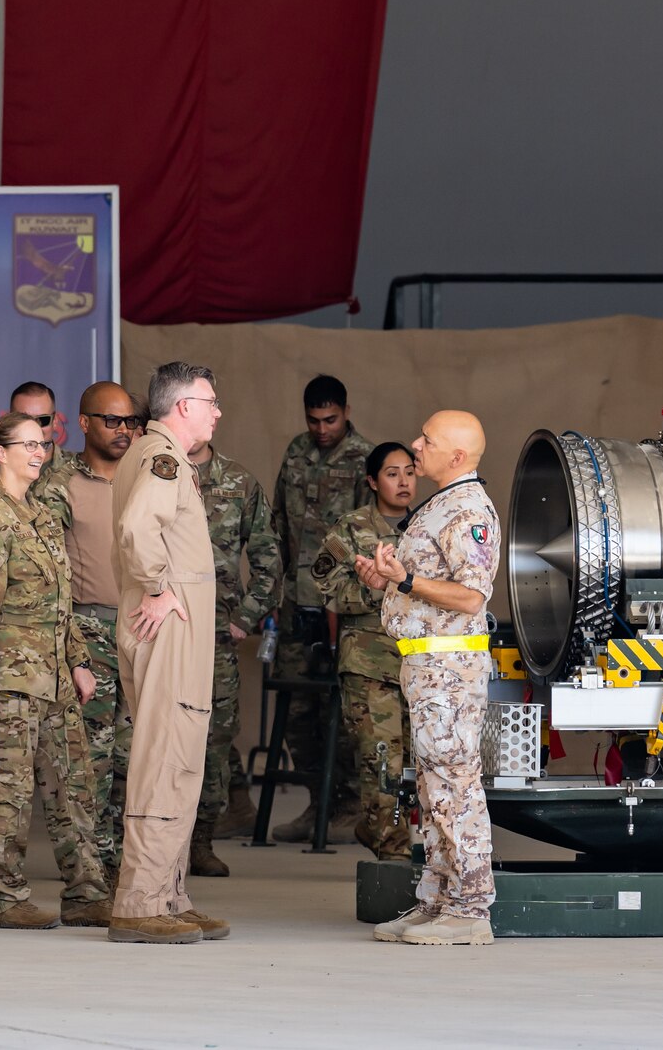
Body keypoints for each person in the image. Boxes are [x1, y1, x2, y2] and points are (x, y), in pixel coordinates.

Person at [0, 414, 109, 930]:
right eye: (28, 445)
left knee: (74, 788)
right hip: (8, 685)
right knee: (4, 791)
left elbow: (63, 600)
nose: (40, 453)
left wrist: (80, 661)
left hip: (57, 681)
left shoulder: (39, 513)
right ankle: (2, 898)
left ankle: (87, 892)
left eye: (44, 444)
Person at [360, 410, 501, 946]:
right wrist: (389, 581)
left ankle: (469, 910)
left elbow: (471, 596)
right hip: (427, 666)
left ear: (457, 456)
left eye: (428, 440)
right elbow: (425, 584)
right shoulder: (440, 504)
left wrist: (409, 579)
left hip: (448, 670)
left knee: (455, 787)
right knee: (432, 787)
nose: (416, 446)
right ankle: (436, 900)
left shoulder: (468, 509)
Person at [109, 362, 227, 943]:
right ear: (182, 406)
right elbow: (137, 530)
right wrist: (157, 588)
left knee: (178, 758)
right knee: (165, 759)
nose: (217, 412)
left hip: (174, 628)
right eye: (210, 401)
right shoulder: (162, 459)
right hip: (168, 629)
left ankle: (168, 894)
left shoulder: (160, 458)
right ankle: (141, 903)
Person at [34, 381, 137, 883]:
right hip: (88, 631)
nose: (123, 430)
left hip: (143, 632)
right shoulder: (57, 484)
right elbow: (45, 572)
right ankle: (90, 868)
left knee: (134, 756)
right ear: (84, 423)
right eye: (112, 420)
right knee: (89, 758)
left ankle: (127, 864)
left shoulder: (148, 479)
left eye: (130, 421)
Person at [269, 374, 374, 842]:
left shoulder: (364, 460)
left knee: (346, 709)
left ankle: (351, 805)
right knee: (297, 711)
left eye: (330, 419)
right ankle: (319, 802)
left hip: (342, 607)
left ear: (346, 412)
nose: (321, 428)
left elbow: (369, 537)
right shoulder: (296, 452)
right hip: (297, 602)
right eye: (313, 420)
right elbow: (278, 521)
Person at [313, 442, 416, 861]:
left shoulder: (429, 527)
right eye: (392, 473)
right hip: (370, 663)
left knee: (417, 764)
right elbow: (325, 589)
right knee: (382, 764)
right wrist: (372, 589)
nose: (403, 480)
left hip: (422, 662)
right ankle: (393, 853)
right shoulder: (351, 529)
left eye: (409, 471)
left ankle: (379, 829)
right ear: (373, 481)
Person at [186, 432, 281, 877]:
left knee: (214, 737)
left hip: (215, 635)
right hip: (152, 630)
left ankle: (201, 841)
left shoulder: (237, 481)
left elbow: (268, 558)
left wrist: (245, 616)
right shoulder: (147, 472)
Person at [0, 382, 74, 490]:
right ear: (10, 421)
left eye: (43, 420)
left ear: (55, 421)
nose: (34, 427)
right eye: (24, 419)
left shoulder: (77, 471)